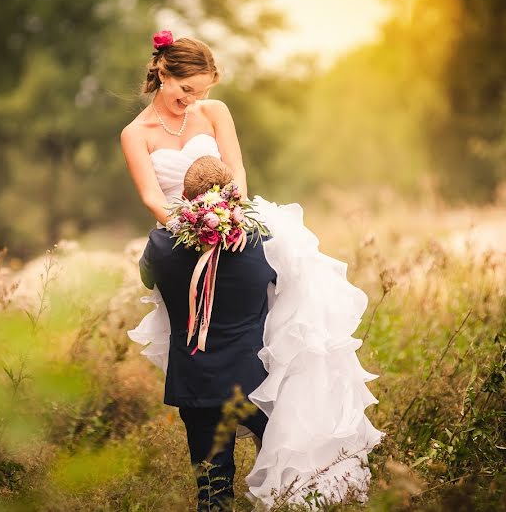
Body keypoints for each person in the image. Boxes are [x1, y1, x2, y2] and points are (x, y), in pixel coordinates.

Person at [124, 30, 383, 507]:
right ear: (163, 73)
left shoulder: (215, 112)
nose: (193, 100)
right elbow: (149, 196)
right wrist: (192, 226)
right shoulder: (135, 134)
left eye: (201, 92)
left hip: (235, 218)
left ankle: (290, 409)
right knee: (199, 317)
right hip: (183, 229)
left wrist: (229, 214)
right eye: (187, 91)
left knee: (288, 300)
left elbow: (237, 170)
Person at [135, 155, 275, 511]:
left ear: (182, 195)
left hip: (198, 383)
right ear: (234, 195)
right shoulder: (262, 240)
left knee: (213, 492)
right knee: (281, 480)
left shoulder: (161, 245)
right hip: (258, 381)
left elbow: (147, 278)